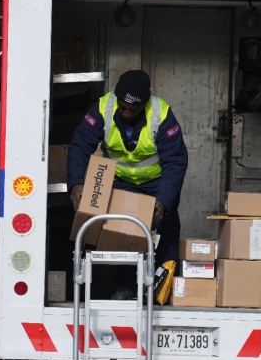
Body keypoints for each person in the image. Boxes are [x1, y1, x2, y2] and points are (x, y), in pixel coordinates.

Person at [67, 69, 189, 299]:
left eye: (132, 109)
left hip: (157, 182)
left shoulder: (161, 114)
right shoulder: (103, 108)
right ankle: (125, 286)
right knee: (122, 231)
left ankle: (163, 289)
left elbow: (176, 161)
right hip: (122, 180)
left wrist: (163, 201)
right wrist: (75, 183)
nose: (126, 112)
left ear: (143, 104)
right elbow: (80, 146)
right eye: (123, 106)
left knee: (166, 229)